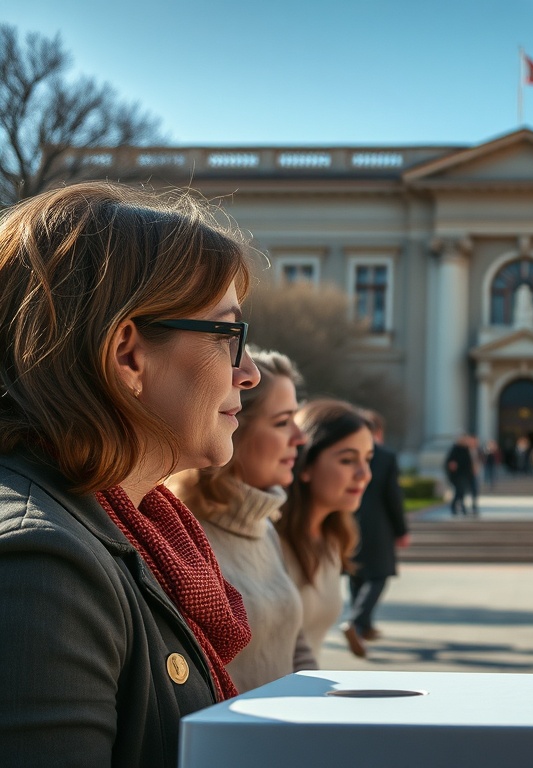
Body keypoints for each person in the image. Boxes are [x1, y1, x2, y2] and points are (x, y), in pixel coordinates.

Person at [0, 182, 259, 766]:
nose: (251, 373)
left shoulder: (135, 529)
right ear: (128, 355)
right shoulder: (40, 565)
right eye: (230, 335)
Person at [168, 349, 317, 693]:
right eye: (282, 422)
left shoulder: (264, 528)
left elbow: (295, 645)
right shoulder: (181, 535)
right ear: (234, 424)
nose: (300, 438)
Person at [278, 400, 373, 661]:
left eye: (367, 459)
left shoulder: (333, 538)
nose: (364, 474)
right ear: (305, 465)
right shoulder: (270, 541)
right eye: (347, 460)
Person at [346, 409, 410, 643]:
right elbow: (393, 497)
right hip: (379, 526)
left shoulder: (345, 453)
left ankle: (364, 627)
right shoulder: (385, 456)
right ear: (379, 431)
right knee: (379, 575)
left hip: (349, 523)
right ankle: (356, 621)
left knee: (357, 576)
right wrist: (402, 531)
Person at [444, 435, 476, 516]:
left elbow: (469, 463)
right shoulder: (455, 449)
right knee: (459, 492)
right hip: (457, 475)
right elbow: (449, 463)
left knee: (462, 492)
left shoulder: (466, 450)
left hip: (465, 475)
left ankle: (462, 508)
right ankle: (455, 507)